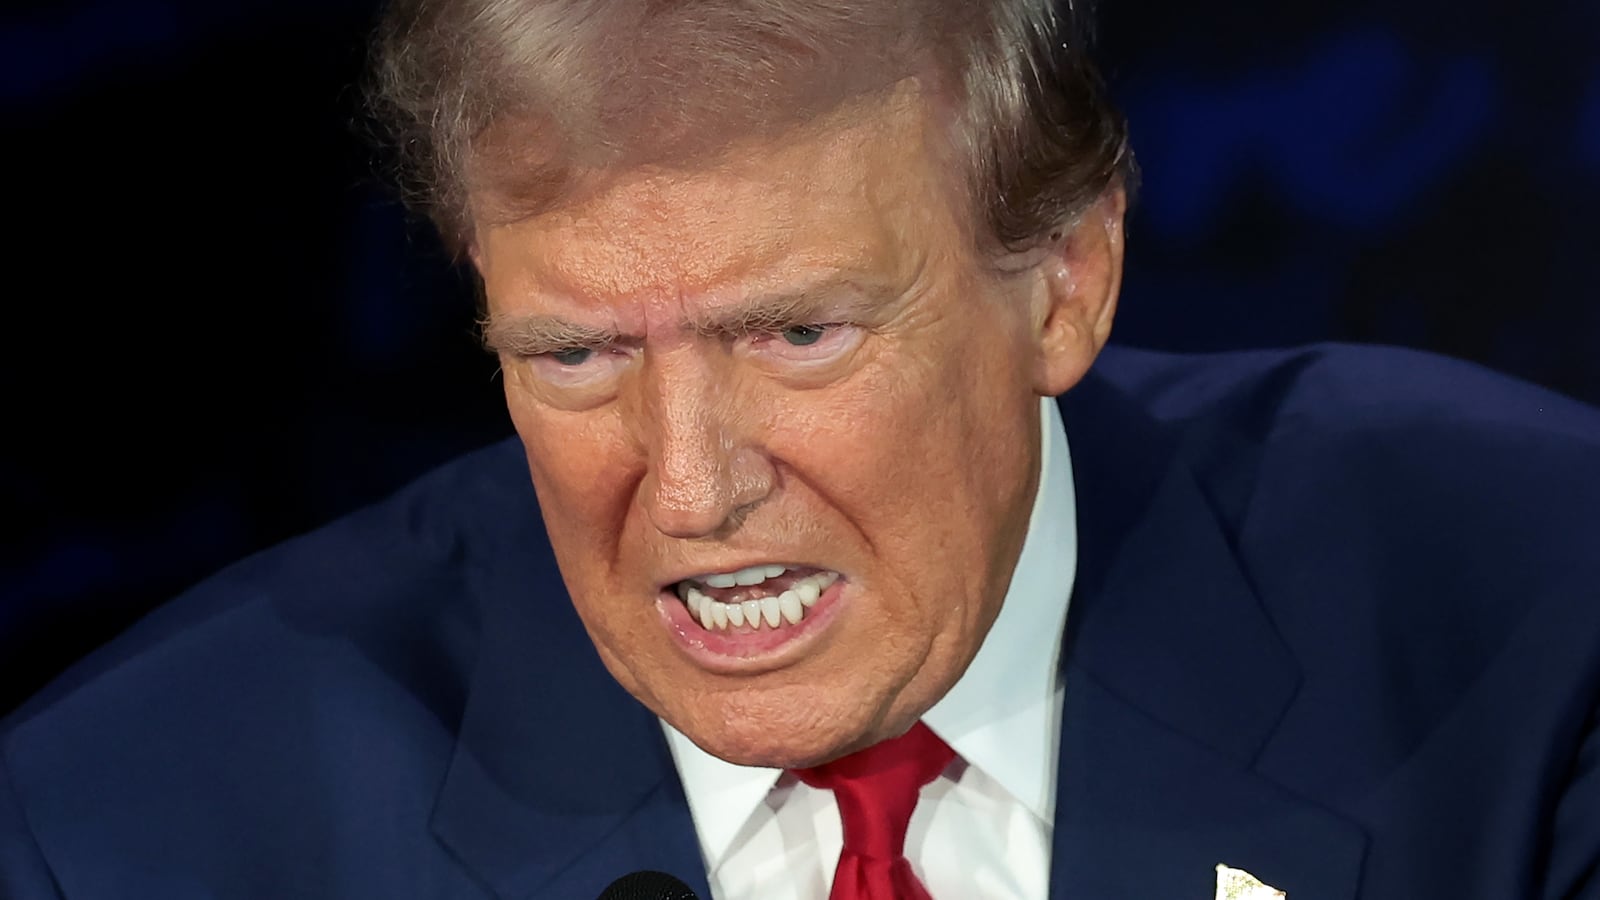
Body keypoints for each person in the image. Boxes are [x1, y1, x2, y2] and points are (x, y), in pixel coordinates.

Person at [3, 0, 1597, 897]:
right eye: (576, 354)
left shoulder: (1538, 609)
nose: (693, 489)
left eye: (797, 333)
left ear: (1065, 283)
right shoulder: (128, 828)